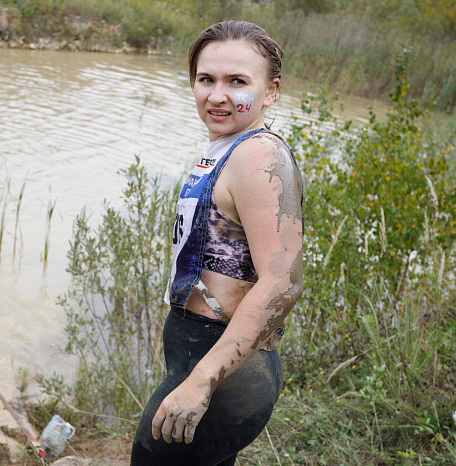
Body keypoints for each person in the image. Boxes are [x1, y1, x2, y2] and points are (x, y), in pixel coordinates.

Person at [130, 20, 304, 465]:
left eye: (237, 81)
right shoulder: (230, 146)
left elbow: (281, 282)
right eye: (206, 79)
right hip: (207, 358)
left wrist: (203, 380)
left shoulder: (258, 155)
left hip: (222, 368)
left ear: (270, 91)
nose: (218, 95)